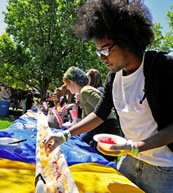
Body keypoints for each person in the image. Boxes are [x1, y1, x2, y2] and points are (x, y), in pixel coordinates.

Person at [44, 1, 173, 192]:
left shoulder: (163, 67)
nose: (101, 58)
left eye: (105, 50)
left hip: (162, 171)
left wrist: (133, 147)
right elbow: (99, 114)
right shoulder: (113, 77)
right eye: (98, 51)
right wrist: (65, 134)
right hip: (128, 162)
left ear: (127, 40)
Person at [62, 66, 120, 161]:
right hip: (100, 131)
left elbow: (105, 110)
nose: (67, 88)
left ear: (72, 82)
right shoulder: (83, 93)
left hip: (104, 133)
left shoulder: (86, 91)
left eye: (66, 85)